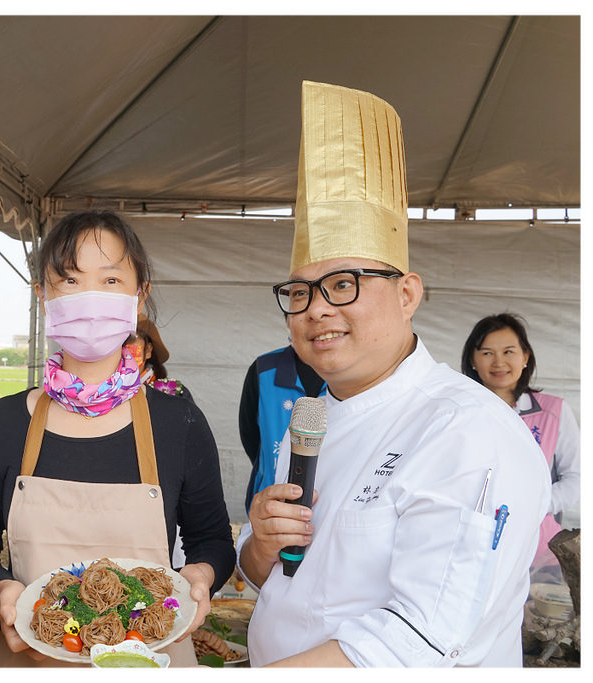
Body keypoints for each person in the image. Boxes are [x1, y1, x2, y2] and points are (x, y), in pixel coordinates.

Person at [235, 81, 549, 667]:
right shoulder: (313, 417)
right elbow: (277, 581)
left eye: (345, 284)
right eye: (299, 292)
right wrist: (260, 545)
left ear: (408, 293)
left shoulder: (467, 430)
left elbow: (416, 641)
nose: (317, 309)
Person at [0, 210, 235, 666]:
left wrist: (200, 576)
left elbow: (213, 540)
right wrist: (3, 587)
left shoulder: (177, 421)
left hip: (152, 657)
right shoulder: (5, 421)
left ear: (138, 296)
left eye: (109, 281)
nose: (88, 298)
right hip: (26, 654)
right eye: (69, 281)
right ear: (43, 295)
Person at [461, 313, 580, 573]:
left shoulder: (553, 410)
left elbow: (577, 477)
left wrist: (536, 505)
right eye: (487, 353)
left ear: (525, 356)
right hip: (472, 545)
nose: (499, 362)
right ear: (472, 359)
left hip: (538, 549)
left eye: (509, 351)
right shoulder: (459, 412)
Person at [238, 345, 324, 512]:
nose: (315, 317)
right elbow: (250, 434)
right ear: (287, 321)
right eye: (298, 316)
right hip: (270, 504)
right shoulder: (263, 369)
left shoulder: (351, 373)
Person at [123, 313, 194, 401]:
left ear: (148, 350)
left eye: (130, 338)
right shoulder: (102, 392)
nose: (121, 348)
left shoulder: (175, 394)